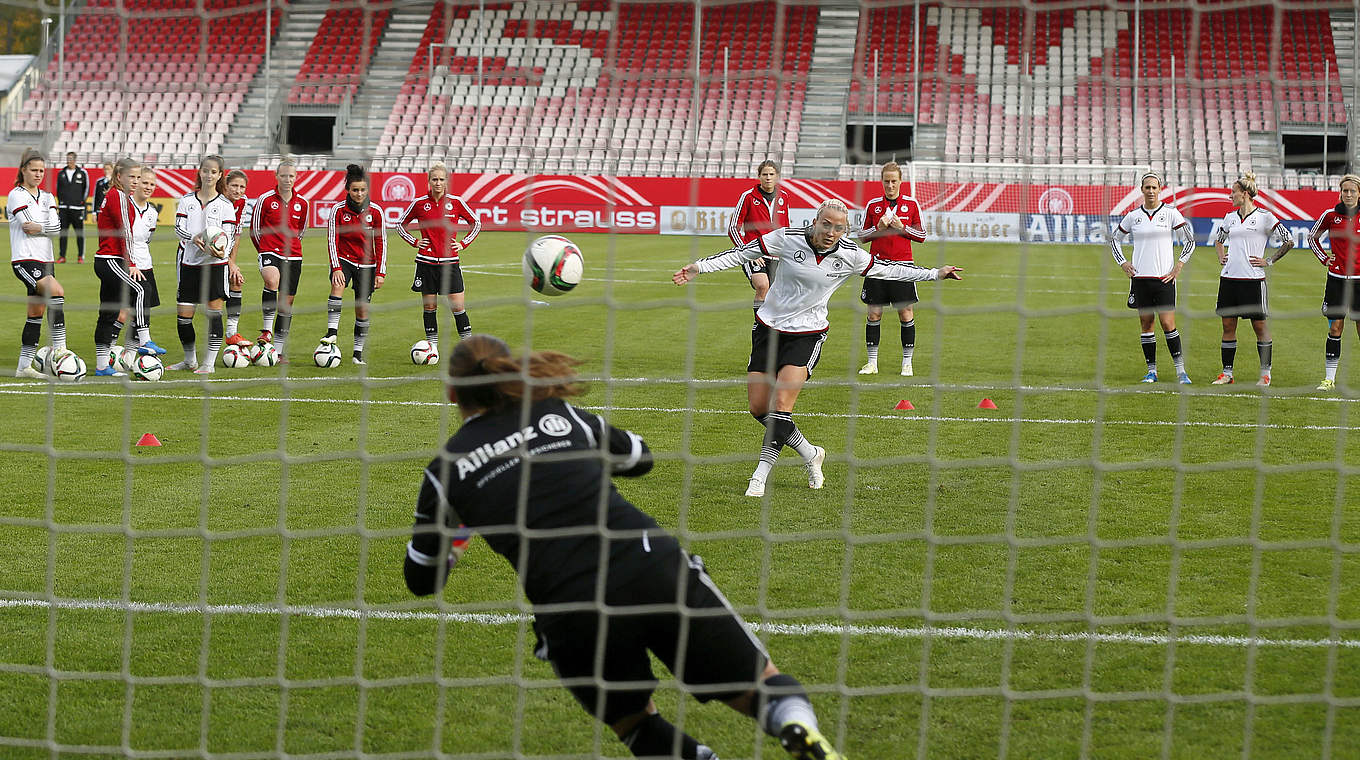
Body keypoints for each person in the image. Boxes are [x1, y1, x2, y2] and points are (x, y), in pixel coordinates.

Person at [405, 334, 848, 760]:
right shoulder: (555, 412)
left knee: (634, 722)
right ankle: (795, 724)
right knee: (757, 683)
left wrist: (460, 529)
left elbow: (423, 579)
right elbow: (639, 457)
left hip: (568, 606)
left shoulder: (446, 470)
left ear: (451, 393)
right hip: (645, 562)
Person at [674, 199, 963, 497]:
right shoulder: (787, 237)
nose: (831, 232)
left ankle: (758, 477)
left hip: (807, 335)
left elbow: (891, 270)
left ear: (845, 230)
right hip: (768, 329)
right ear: (815, 221)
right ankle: (811, 453)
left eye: (839, 228)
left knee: (781, 408)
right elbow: (741, 254)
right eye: (826, 224)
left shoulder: (851, 255)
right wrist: (699, 267)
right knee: (759, 408)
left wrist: (934, 273)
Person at [1108, 171, 1196, 384]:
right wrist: (1123, 262)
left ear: (1160, 189)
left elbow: (1190, 241)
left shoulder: (1171, 213)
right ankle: (1151, 371)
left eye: (1154, 187)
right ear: (1141, 190)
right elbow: (1114, 240)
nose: (1150, 191)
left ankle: (1181, 372)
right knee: (1146, 324)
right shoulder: (1133, 216)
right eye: (1147, 187)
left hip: (1164, 279)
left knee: (1168, 323)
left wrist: (1179, 266)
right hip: (1140, 280)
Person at [1211, 172, 1293, 386]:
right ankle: (1226, 374)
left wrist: (1269, 261)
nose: (1230, 196)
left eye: (1233, 192)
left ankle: (1265, 374)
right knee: (1228, 326)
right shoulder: (1229, 217)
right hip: (1229, 280)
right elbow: (1219, 241)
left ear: (1245, 194)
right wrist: (1221, 256)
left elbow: (1289, 240)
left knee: (1260, 327)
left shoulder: (1265, 217)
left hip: (1253, 281)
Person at [855, 161, 927, 377]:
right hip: (877, 266)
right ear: (882, 181)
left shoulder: (912, 205)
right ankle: (872, 363)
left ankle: (907, 363)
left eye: (894, 181)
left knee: (905, 314)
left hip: (902, 266)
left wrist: (901, 228)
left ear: (900, 181)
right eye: (886, 181)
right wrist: (878, 228)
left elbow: (922, 235)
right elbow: (862, 236)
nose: (890, 185)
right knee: (874, 313)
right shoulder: (873, 206)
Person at [397, 161, 480, 344]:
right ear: (429, 181)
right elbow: (400, 225)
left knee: (458, 308)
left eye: (441, 179)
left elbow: (476, 223)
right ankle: (431, 347)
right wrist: (416, 242)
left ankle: (468, 346)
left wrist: (463, 243)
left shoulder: (456, 203)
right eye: (434, 179)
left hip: (450, 263)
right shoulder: (419, 203)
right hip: (426, 263)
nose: (438, 183)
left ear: (446, 182)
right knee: (430, 308)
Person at [170, 154, 240, 374]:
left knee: (214, 314)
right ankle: (189, 360)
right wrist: (193, 237)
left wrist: (221, 252)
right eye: (205, 170)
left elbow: (228, 236)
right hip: (189, 264)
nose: (208, 175)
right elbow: (178, 228)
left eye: (213, 172)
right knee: (183, 318)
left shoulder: (226, 205)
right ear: (199, 172)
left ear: (220, 175)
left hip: (214, 266)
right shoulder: (186, 200)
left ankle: (208, 363)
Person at [8, 148, 67, 378]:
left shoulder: (48, 197)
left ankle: (23, 367)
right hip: (25, 259)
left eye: (42, 170)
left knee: (36, 312)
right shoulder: (16, 195)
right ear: (23, 170)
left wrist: (41, 227)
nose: (38, 174)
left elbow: (56, 228)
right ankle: (60, 350)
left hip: (47, 259)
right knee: (57, 292)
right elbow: (27, 226)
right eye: (33, 170)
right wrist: (45, 227)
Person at [322, 164, 386, 365]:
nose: (359, 194)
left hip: (367, 265)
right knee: (337, 284)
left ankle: (357, 353)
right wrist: (336, 267)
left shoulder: (376, 212)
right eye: (355, 190)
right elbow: (332, 239)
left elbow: (381, 241)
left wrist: (380, 272)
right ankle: (332, 332)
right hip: (345, 259)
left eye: (362, 190)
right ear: (348, 190)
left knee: (362, 310)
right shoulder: (338, 210)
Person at [249, 158, 310, 360]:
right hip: (269, 251)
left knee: (286, 304)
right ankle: (266, 330)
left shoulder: (303, 203)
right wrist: (264, 250)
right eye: (283, 175)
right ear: (276, 176)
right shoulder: (265, 199)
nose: (287, 179)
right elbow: (255, 230)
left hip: (293, 255)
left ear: (296, 177)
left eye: (291, 176)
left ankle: (279, 350)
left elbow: (300, 231)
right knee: (271, 280)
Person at [1308, 173, 1360, 391]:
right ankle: (1329, 379)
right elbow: (1312, 237)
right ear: (1340, 193)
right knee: (1335, 328)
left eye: (1352, 191)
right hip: (1337, 281)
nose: (1348, 194)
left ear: (1359, 193)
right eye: (1345, 190)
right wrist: (1323, 258)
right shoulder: (1330, 216)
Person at [92, 157, 143, 376]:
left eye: (138, 177)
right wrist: (131, 263)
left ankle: (102, 366)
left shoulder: (118, 196)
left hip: (107, 259)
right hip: (110, 259)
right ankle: (145, 341)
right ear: (119, 176)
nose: (136, 181)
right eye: (131, 176)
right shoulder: (118, 196)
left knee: (108, 312)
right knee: (141, 290)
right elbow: (125, 232)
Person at [728, 159, 789, 315]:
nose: (768, 177)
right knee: (762, 285)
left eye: (771, 174)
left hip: (776, 255)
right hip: (754, 252)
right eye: (764, 174)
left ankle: (771, 326)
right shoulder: (748, 197)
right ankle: (759, 327)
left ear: (777, 177)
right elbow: (733, 228)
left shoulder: (784, 197)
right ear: (759, 176)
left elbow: (786, 228)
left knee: (775, 294)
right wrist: (748, 251)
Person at [125, 166, 166, 356]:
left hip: (145, 263)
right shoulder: (125, 205)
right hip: (127, 264)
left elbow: (147, 238)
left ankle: (132, 353)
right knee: (124, 310)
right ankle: (140, 343)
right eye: (145, 182)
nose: (148, 187)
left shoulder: (152, 212)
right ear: (136, 182)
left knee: (143, 308)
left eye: (152, 184)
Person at [222, 169, 252, 349]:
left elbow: (237, 234)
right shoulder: (217, 201)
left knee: (236, 280)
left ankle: (232, 333)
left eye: (242, 187)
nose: (238, 190)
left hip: (225, 255)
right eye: (234, 185)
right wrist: (229, 262)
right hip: (207, 254)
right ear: (225, 186)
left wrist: (233, 262)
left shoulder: (243, 202)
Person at [55, 152, 89, 265]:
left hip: (77, 208)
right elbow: (58, 189)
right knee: (63, 233)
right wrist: (61, 203)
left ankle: (80, 256)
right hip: (64, 208)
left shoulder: (82, 173)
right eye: (67, 159)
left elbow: (86, 189)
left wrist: (81, 202)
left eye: (71, 159)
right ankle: (62, 256)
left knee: (79, 233)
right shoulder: (61, 173)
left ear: (75, 160)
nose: (69, 161)